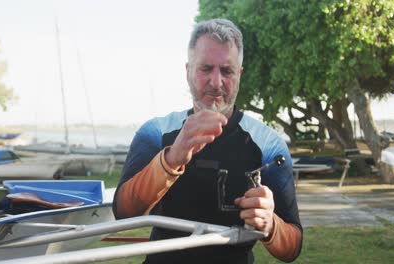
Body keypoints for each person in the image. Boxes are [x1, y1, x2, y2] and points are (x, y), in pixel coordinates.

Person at [113, 18, 302, 263]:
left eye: (227, 70)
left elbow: (293, 247)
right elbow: (124, 213)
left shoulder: (268, 144)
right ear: (188, 70)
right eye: (205, 69)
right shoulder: (156, 132)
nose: (216, 82)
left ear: (239, 74)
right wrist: (171, 159)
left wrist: (271, 225)